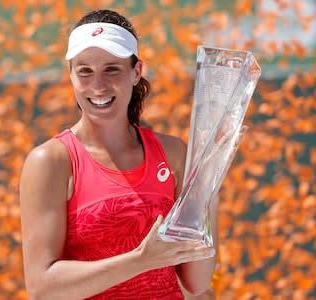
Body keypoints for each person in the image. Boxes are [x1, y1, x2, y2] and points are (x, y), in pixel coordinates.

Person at [19, 9, 219, 300]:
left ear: (136, 71)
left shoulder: (173, 153)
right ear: (71, 76)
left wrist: (210, 176)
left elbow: (196, 282)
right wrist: (140, 260)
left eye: (111, 69)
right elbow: (42, 287)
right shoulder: (50, 163)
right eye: (84, 71)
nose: (98, 86)